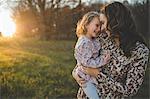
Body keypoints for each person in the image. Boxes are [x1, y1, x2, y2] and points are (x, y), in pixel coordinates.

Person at [72, 2, 149, 99]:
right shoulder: (102, 38)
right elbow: (84, 60)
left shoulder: (140, 52)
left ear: (115, 22)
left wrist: (98, 75)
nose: (101, 28)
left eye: (103, 23)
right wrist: (75, 73)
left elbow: (129, 90)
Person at [73, 11, 110, 99]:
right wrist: (103, 60)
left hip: (91, 75)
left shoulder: (93, 39)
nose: (99, 29)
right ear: (86, 25)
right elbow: (86, 63)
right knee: (95, 97)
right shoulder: (84, 43)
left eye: (100, 26)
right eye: (96, 25)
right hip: (85, 78)